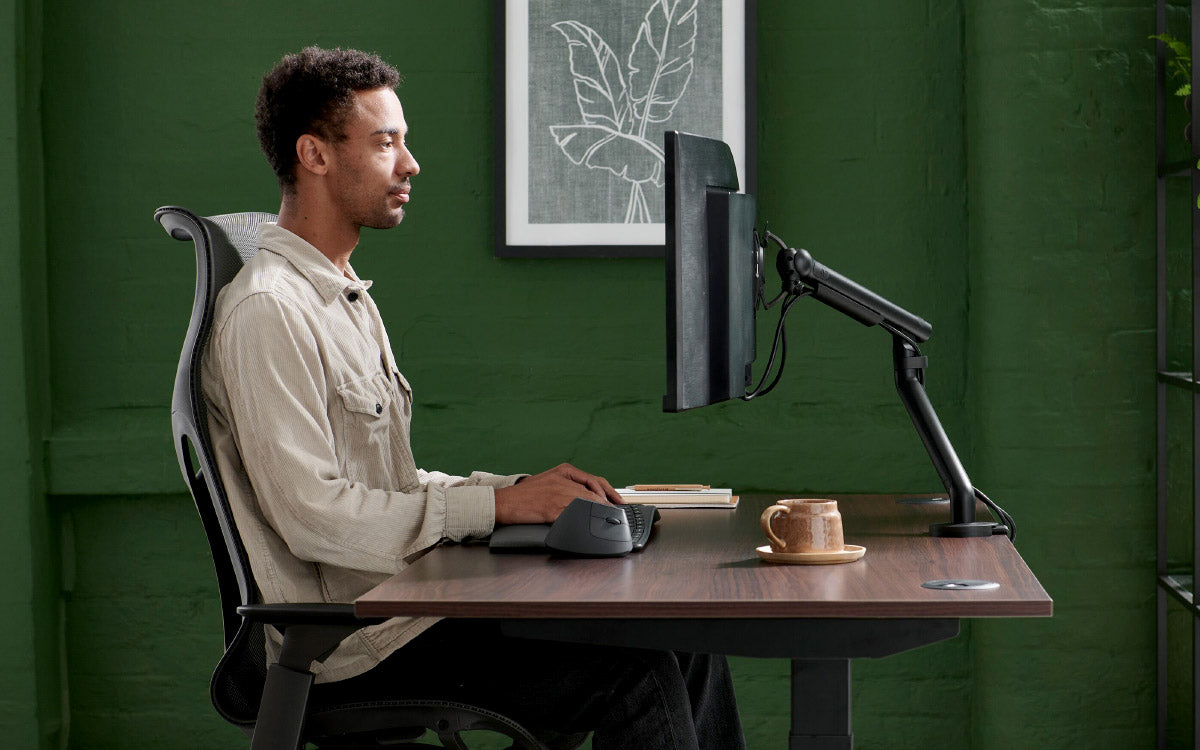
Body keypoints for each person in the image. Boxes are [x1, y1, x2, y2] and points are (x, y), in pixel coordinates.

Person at [202, 46, 744, 749]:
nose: (410, 163)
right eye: (386, 142)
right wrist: (495, 509)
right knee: (634, 674)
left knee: (684, 641)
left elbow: (387, 485)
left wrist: (515, 492)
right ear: (316, 154)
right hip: (356, 642)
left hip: (402, 610)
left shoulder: (342, 298)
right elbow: (314, 517)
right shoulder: (269, 311)